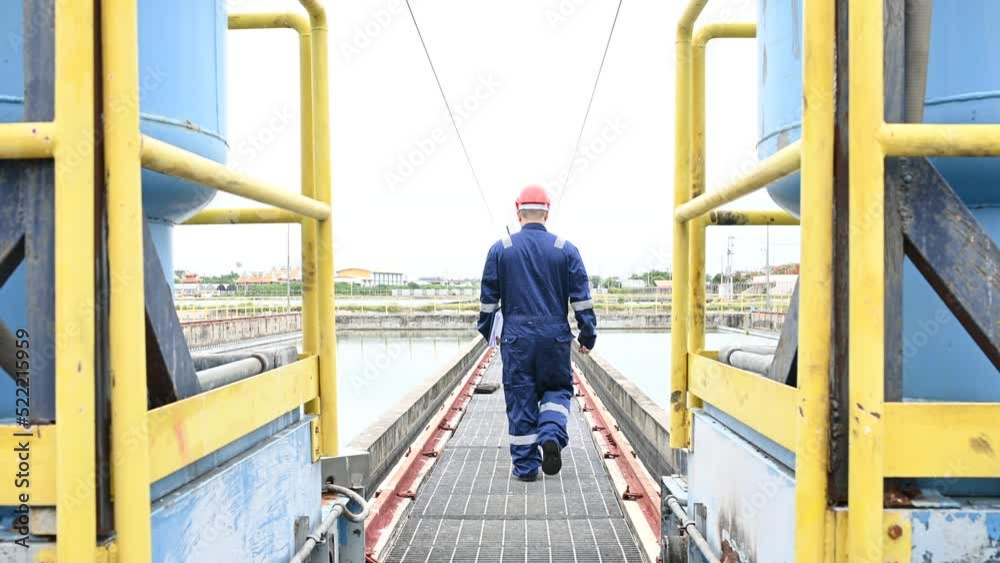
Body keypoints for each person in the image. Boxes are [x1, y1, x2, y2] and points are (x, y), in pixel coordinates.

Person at [477, 185, 598, 481]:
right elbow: (581, 299)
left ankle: (527, 468)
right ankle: (551, 433)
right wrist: (587, 335)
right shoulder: (565, 249)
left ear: (518, 213)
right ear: (547, 213)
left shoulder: (500, 249)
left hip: (516, 338)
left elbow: (488, 302)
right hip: (555, 336)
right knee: (558, 389)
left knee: (521, 398)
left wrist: (489, 332)